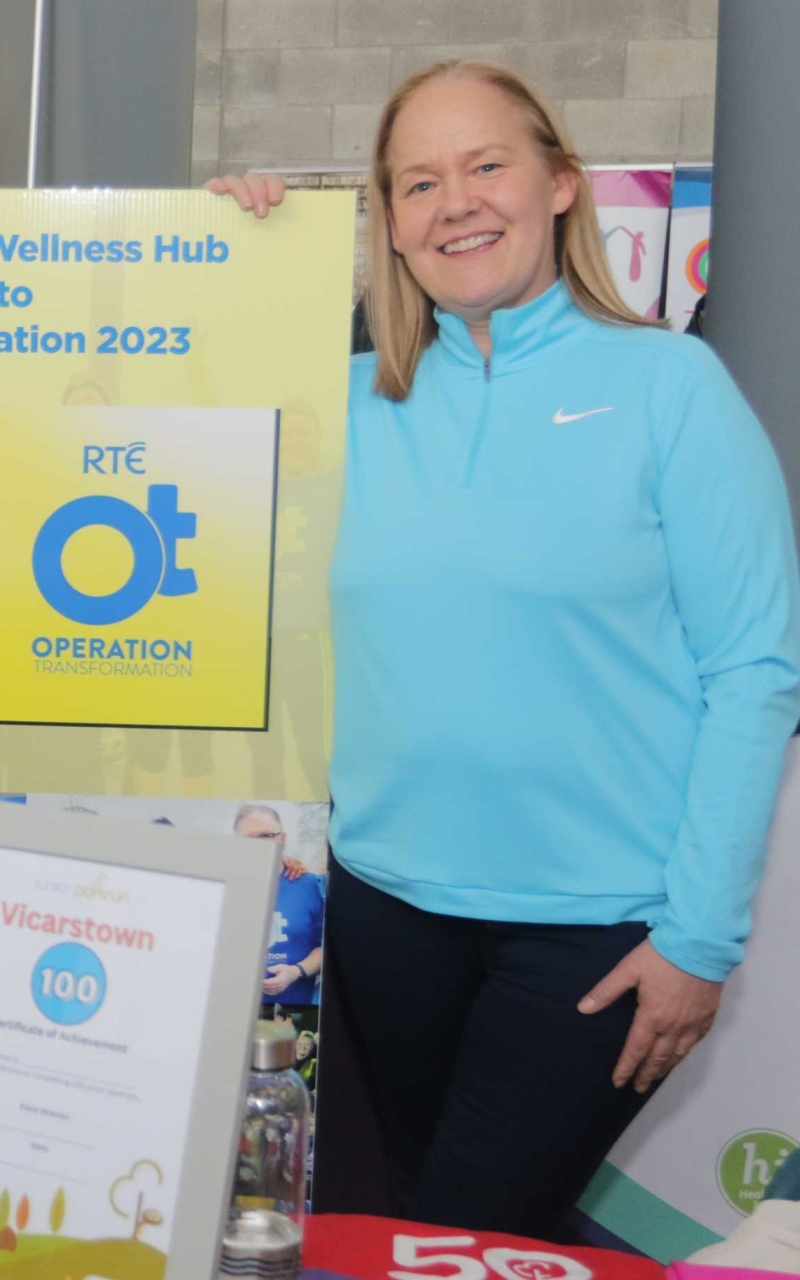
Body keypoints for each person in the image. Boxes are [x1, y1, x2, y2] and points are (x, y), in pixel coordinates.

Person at [210, 61, 800, 1236]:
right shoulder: (349, 405)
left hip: (597, 935)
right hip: (383, 915)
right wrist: (228, 257)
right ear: (389, 222)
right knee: (413, 1229)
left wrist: (697, 939)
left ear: (561, 183)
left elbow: (754, 670)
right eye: (419, 182)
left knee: (466, 1225)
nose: (457, 202)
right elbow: (140, 422)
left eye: (487, 164)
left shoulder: (669, 386)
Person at [234, 805, 324, 1003]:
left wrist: (295, 972)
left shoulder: (310, 886)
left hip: (294, 1012)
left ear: (281, 838)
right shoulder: (223, 886)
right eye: (248, 838)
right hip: (233, 1007)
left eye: (266, 835)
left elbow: (325, 947)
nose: (258, 845)